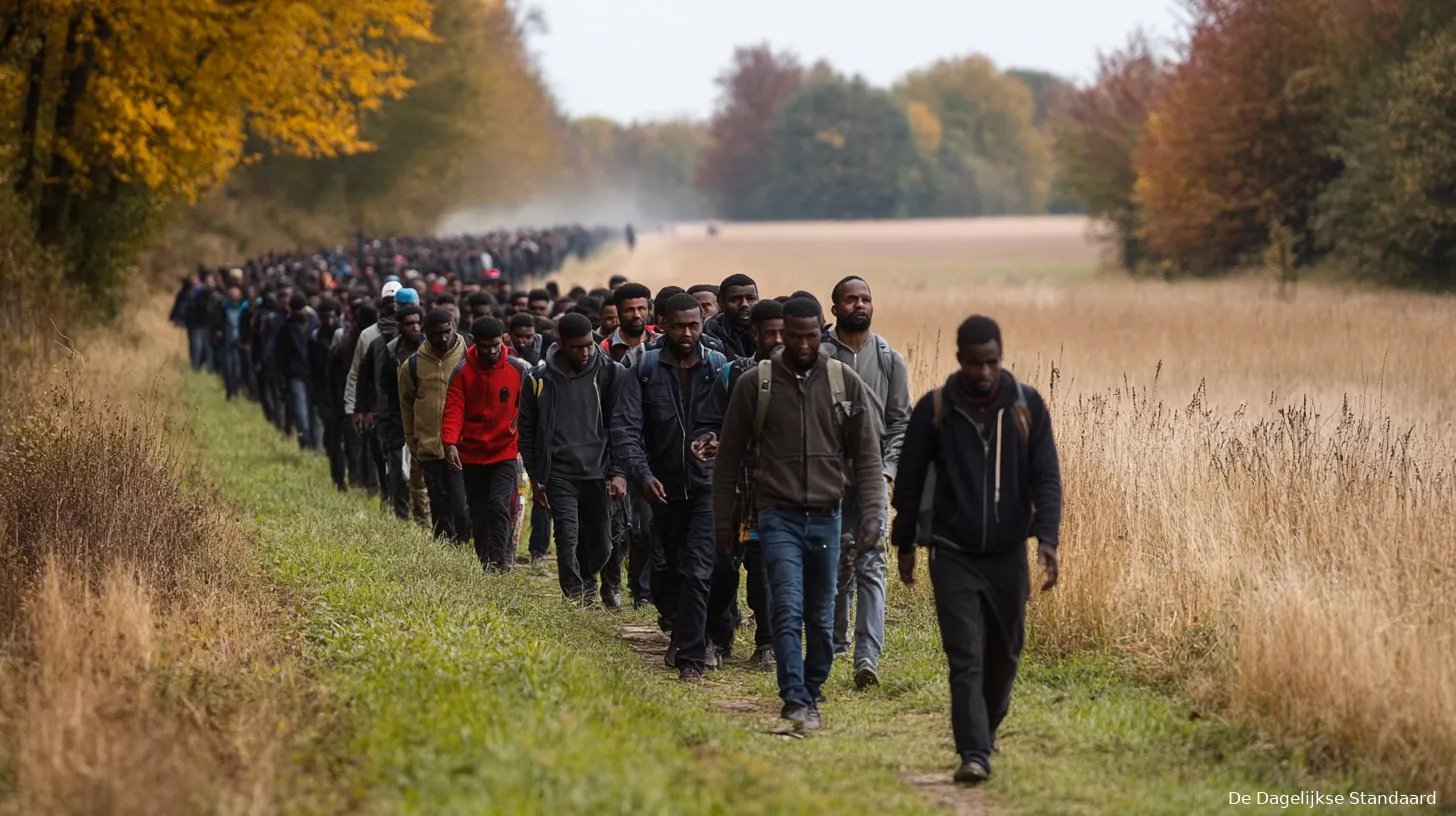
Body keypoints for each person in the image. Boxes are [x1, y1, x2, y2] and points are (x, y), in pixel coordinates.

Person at [891, 315, 1062, 786]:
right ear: (960, 359)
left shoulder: (1028, 406)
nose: (983, 372)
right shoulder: (936, 408)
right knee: (965, 656)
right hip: (953, 553)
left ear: (1001, 357)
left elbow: (1046, 477)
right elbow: (908, 480)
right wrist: (905, 541)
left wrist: (1047, 539)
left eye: (991, 362)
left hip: (1008, 554)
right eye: (974, 362)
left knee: (1005, 654)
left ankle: (985, 729)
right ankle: (973, 754)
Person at [711, 297, 882, 730]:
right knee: (785, 609)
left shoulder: (843, 382)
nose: (803, 344)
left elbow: (866, 457)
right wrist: (722, 519)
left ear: (821, 331)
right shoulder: (756, 384)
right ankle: (794, 697)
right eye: (795, 335)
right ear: (782, 332)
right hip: (777, 516)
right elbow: (728, 458)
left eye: (811, 335)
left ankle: (813, 685)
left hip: (829, 516)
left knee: (821, 618)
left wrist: (872, 516)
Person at [621, 293, 730, 682]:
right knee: (664, 567)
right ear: (661, 324)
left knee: (699, 569)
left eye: (694, 325)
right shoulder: (643, 369)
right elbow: (626, 430)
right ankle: (678, 629)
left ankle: (692, 657)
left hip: (706, 488)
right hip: (659, 488)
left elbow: (732, 423)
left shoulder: (718, 367)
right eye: (679, 325)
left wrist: (716, 440)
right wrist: (641, 474)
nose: (687, 333)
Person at [821, 276, 912, 690]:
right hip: (828, 479)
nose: (859, 305)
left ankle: (866, 658)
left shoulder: (889, 358)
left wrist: (889, 469)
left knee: (873, 563)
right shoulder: (817, 355)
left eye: (866, 299)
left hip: (874, 476)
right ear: (835, 307)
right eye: (850, 299)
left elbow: (900, 422)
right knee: (838, 560)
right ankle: (837, 640)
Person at [518, 313, 635, 605]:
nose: (584, 352)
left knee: (603, 544)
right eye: (576, 347)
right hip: (559, 473)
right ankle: (575, 593)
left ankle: (588, 578)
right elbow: (527, 431)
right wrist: (536, 476)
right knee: (567, 536)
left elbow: (622, 427)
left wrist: (618, 471)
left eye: (588, 346)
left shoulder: (611, 373)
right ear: (561, 343)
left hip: (599, 472)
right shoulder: (538, 379)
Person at [698, 298, 786, 671]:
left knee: (765, 573)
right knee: (722, 570)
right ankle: (717, 639)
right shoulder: (733, 375)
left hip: (776, 493)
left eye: (786, 332)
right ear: (756, 335)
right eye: (771, 333)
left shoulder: (806, 379)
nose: (779, 340)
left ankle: (767, 644)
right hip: (735, 492)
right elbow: (710, 423)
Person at [443, 317, 532, 571]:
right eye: (485, 347)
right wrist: (450, 443)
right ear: (475, 343)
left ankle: (499, 560)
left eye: (495, 345)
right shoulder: (462, 371)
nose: (491, 351)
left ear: (503, 339)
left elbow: (525, 409)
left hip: (504, 450)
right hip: (470, 454)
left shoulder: (518, 369)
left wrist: (525, 442)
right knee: (479, 514)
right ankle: (485, 560)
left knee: (499, 506)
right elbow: (453, 409)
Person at [399, 308, 468, 543]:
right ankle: (445, 551)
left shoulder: (467, 358)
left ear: (455, 329)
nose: (443, 338)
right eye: (437, 334)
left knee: (461, 505)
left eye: (447, 332)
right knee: (439, 505)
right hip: (428, 447)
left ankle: (465, 545)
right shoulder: (412, 366)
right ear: (426, 333)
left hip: (462, 447)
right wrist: (413, 442)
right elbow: (406, 407)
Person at [275, 294, 318, 449]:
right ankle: (305, 443)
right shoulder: (286, 328)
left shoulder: (315, 323)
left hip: (314, 374)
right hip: (295, 375)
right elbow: (279, 356)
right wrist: (281, 382)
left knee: (314, 412)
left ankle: (316, 445)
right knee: (301, 413)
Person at [703, 274, 759, 360]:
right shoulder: (708, 334)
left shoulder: (769, 330)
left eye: (751, 298)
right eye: (735, 299)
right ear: (720, 301)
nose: (744, 304)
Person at [601, 283, 656, 362]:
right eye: (629, 310)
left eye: (641, 308)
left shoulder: (660, 340)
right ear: (618, 312)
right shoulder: (605, 349)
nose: (636, 315)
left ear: (648, 310)